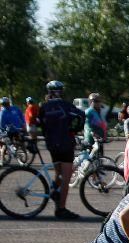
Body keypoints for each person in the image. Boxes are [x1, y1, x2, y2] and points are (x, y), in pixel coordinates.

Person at [36, 81, 84, 220]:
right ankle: (61, 209)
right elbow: (81, 116)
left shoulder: (43, 106)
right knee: (66, 177)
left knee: (59, 174)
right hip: (65, 143)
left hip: (51, 144)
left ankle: (53, 192)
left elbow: (38, 123)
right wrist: (74, 130)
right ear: (61, 91)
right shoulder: (66, 105)